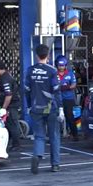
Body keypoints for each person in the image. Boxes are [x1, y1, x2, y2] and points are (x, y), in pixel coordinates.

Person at [25, 44, 64, 174]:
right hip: (51, 108)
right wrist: (61, 108)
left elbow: (26, 90)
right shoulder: (52, 71)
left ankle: (37, 154)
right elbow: (57, 91)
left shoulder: (30, 70)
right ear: (48, 56)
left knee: (39, 136)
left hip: (36, 107)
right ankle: (55, 165)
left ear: (36, 55)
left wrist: (29, 105)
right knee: (54, 136)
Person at [0, 59, 22, 151]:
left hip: (11, 105)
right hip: (6, 104)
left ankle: (16, 145)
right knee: (7, 125)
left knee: (12, 124)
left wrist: (4, 108)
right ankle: (9, 143)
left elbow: (8, 95)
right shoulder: (1, 78)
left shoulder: (5, 78)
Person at [55, 55, 79, 141]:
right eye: (59, 65)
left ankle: (75, 134)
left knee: (70, 116)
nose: (61, 67)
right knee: (55, 117)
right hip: (57, 99)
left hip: (68, 99)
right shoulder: (54, 74)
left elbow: (74, 85)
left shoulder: (70, 74)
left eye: (63, 65)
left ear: (65, 65)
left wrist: (65, 87)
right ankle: (55, 135)